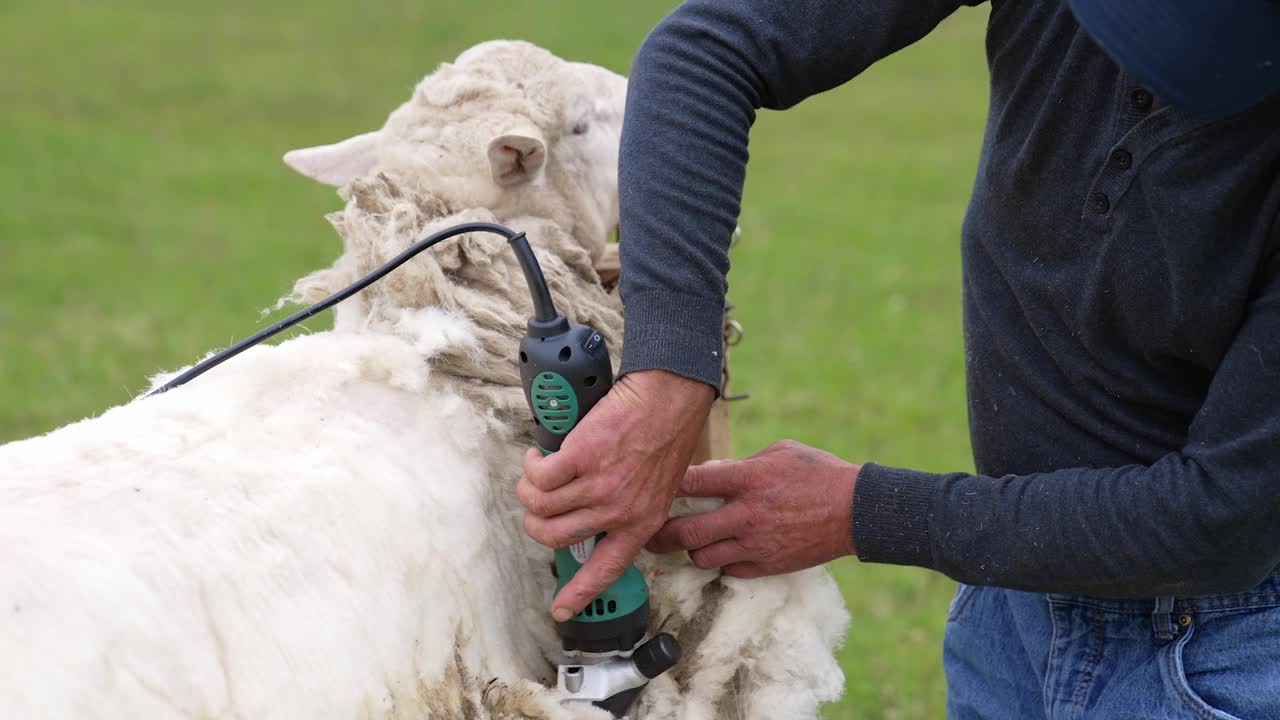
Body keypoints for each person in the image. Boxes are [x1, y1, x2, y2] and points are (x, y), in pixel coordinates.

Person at [517, 0, 1280, 716]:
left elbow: (1222, 517)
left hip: (1227, 650)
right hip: (1010, 604)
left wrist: (863, 512)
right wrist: (671, 369)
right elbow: (713, 46)